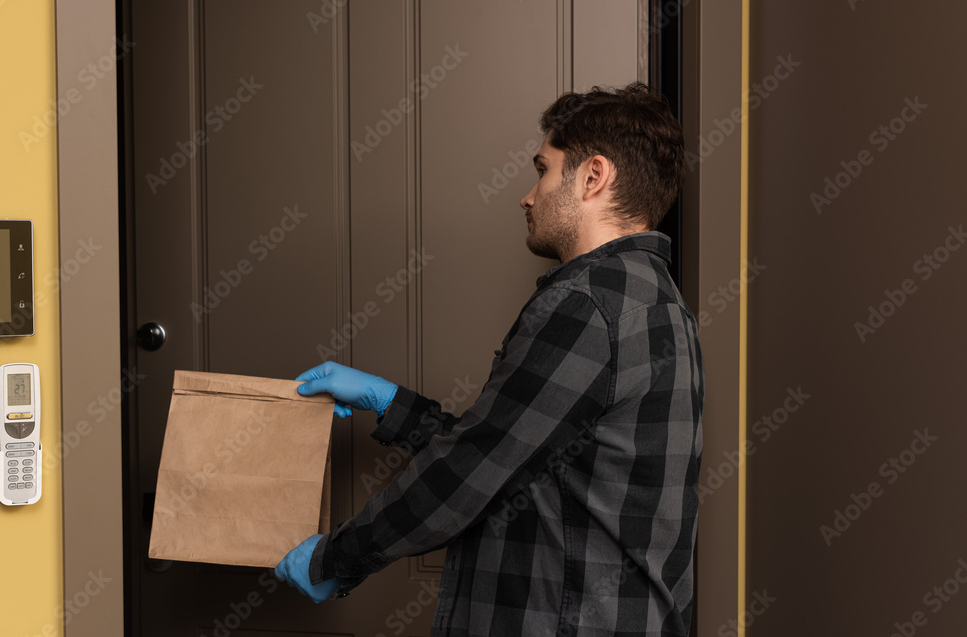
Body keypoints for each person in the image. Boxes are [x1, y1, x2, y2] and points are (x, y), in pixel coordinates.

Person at [275, 82, 705, 636]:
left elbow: (472, 470)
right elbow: (517, 454)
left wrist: (334, 558)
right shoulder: (656, 300)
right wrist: (391, 403)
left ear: (592, 177)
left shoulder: (588, 304)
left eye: (544, 170)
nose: (528, 195)